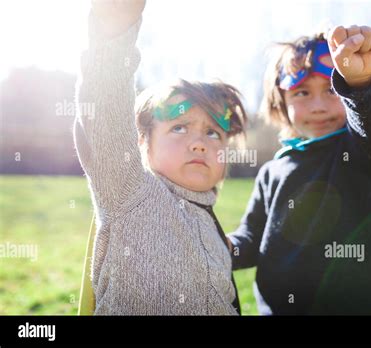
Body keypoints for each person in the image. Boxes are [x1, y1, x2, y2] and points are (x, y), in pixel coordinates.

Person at [228, 25, 371, 315]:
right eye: (301, 92)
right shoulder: (271, 172)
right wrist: (221, 246)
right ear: (280, 103)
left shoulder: (360, 150)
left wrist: (362, 84)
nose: (319, 106)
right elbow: (250, 239)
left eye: (332, 90)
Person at [75, 0, 246, 315]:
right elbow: (105, 119)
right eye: (180, 128)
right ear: (142, 142)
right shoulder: (130, 192)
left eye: (213, 133)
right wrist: (114, 34)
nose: (199, 144)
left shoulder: (211, 224)